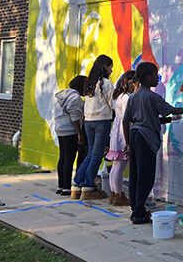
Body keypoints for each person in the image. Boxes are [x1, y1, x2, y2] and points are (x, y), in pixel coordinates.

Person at [123, 61, 183, 224]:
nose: (158, 78)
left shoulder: (133, 97)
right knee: (146, 176)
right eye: (154, 75)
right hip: (146, 139)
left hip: (135, 136)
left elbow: (129, 120)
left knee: (136, 174)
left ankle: (136, 209)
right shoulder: (153, 97)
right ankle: (139, 212)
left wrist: (128, 143)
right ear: (146, 77)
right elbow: (173, 109)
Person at [71, 55, 115, 200]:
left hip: (89, 121)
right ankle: (89, 186)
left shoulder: (89, 83)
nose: (111, 70)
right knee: (97, 154)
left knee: (91, 153)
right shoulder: (106, 83)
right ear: (104, 67)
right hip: (102, 121)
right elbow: (112, 103)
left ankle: (77, 184)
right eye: (110, 67)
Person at [107, 70, 138, 206]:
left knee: (116, 165)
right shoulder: (127, 98)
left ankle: (114, 193)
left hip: (116, 131)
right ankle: (119, 195)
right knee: (120, 165)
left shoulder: (117, 96)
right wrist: (127, 141)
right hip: (123, 133)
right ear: (130, 82)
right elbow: (127, 118)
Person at [52, 75, 87, 195]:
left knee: (63, 158)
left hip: (60, 129)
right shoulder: (75, 98)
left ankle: (61, 185)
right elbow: (75, 117)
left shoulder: (64, 96)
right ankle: (67, 187)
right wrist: (79, 134)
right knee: (69, 159)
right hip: (70, 131)